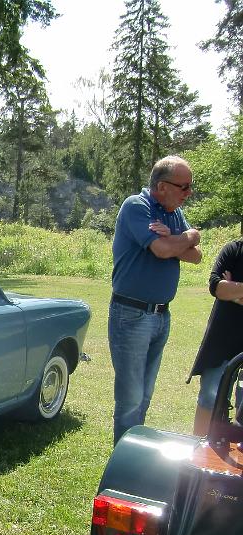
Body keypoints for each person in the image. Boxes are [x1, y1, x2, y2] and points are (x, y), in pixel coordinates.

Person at [109, 155, 202, 445]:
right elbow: (162, 250)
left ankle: (133, 451)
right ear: (162, 186)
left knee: (145, 393)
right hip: (132, 314)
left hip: (161, 316)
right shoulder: (137, 206)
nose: (189, 193)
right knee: (131, 397)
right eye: (183, 187)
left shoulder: (172, 214)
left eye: (190, 186)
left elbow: (196, 255)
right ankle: (123, 464)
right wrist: (185, 238)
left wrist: (181, 235)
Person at [188, 238, 243, 435]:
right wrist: (226, 289)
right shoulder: (233, 250)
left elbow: (226, 290)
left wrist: (234, 291)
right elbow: (217, 287)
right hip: (222, 339)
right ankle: (199, 449)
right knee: (209, 399)